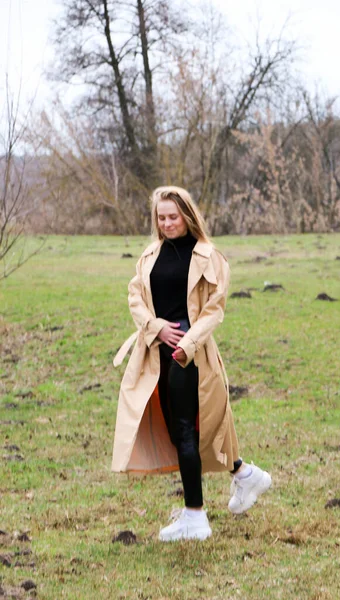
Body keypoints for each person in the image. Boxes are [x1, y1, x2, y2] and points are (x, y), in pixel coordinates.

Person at [112, 186, 271, 542]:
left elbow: (214, 309)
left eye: (173, 216)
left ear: (188, 215)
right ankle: (244, 476)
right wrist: (154, 327)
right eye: (161, 217)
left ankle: (195, 516)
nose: (167, 223)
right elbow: (135, 295)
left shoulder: (209, 256)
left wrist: (186, 343)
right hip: (157, 354)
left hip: (190, 356)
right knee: (182, 430)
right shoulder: (150, 255)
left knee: (187, 430)